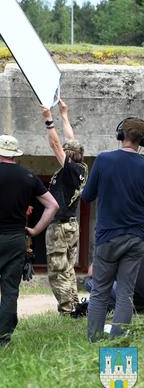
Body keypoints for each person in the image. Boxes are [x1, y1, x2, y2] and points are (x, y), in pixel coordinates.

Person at [0, 135, 58, 348]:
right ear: (14, 154)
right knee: (10, 291)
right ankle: (3, 338)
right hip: (17, 240)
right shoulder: (28, 176)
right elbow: (53, 206)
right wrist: (34, 230)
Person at [81, 117, 144, 341]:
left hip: (108, 237)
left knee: (99, 291)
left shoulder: (104, 160)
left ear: (121, 136)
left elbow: (87, 196)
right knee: (125, 293)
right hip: (136, 238)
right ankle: (118, 339)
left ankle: (94, 339)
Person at [40, 99, 88, 315]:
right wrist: (64, 114)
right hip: (72, 225)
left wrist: (49, 119)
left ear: (68, 155)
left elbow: (57, 144)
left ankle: (67, 311)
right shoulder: (81, 167)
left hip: (59, 227)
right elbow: (70, 140)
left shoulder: (68, 170)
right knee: (68, 268)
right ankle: (75, 306)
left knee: (58, 270)